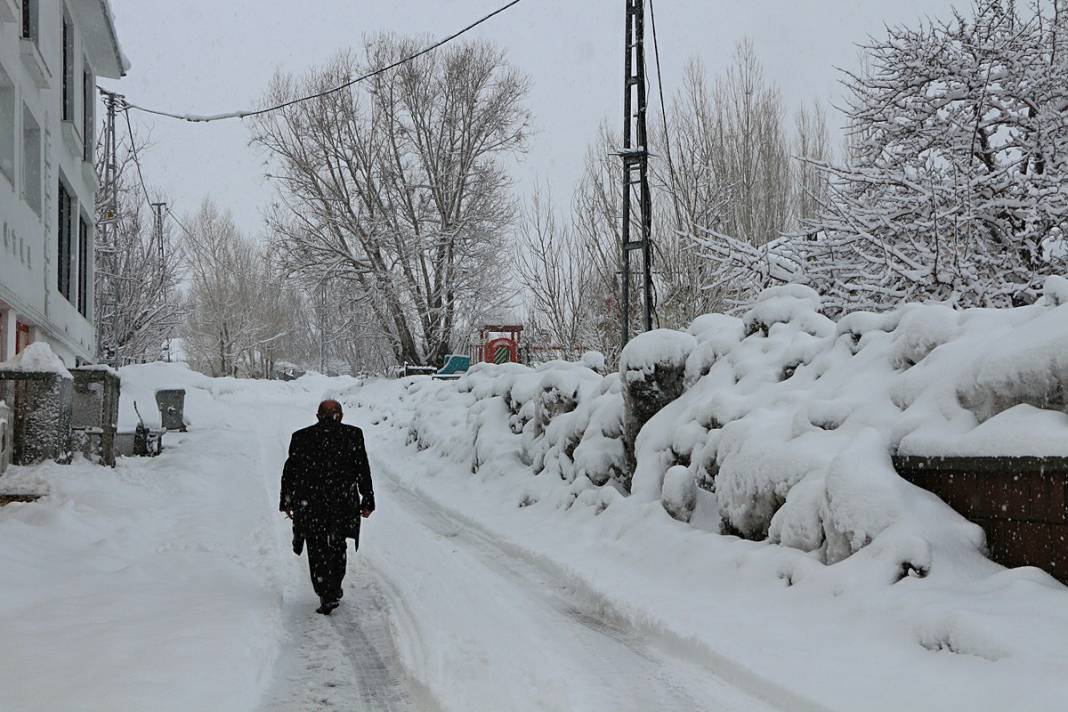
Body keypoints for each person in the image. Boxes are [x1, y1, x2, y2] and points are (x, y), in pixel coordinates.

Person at [280, 399, 375, 615]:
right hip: (342, 502)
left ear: (317, 415)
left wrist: (287, 500)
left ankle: (325, 590)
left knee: (316, 547)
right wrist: (367, 498)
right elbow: (363, 469)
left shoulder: (301, 437)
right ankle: (333, 587)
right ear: (340, 415)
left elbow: (290, 472)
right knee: (338, 545)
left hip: (312, 504)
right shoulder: (352, 435)